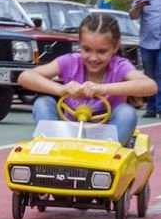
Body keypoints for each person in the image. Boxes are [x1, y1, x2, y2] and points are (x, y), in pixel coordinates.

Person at [18, 13, 157, 146]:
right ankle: (51, 145)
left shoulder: (119, 66)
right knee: (43, 103)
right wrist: (61, 89)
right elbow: (25, 77)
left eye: (102, 51)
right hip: (68, 132)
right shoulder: (70, 62)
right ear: (80, 45)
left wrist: (102, 89)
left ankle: (108, 152)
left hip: (106, 135)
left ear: (115, 47)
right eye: (87, 50)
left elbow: (150, 86)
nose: (93, 58)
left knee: (126, 112)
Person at [129, 0, 161, 118]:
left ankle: (160, 107)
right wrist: (138, 7)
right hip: (147, 43)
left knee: (160, 74)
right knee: (149, 76)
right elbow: (133, 16)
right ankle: (151, 108)